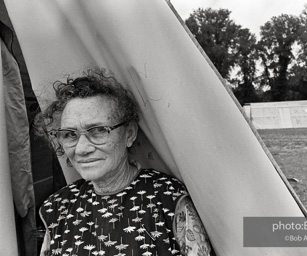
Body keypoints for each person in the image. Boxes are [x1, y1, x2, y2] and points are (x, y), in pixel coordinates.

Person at [35, 69, 214, 256]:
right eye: (70, 135)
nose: (81, 149)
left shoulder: (168, 198)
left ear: (129, 134)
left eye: (98, 131)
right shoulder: (58, 207)